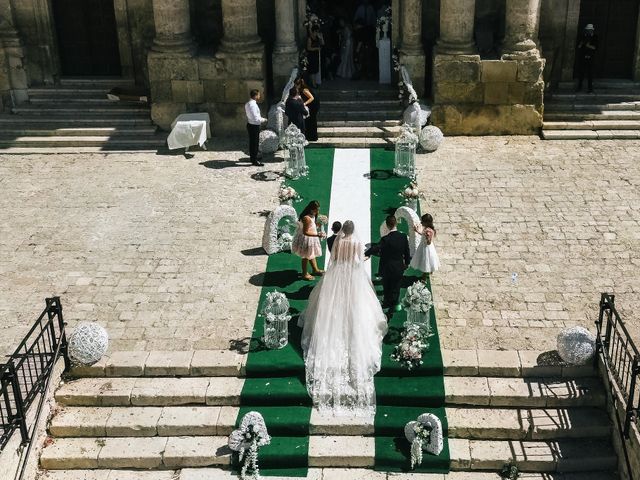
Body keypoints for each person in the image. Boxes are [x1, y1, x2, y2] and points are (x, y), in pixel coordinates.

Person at [298, 220, 388, 415]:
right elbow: (358, 260)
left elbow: (335, 259)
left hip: (338, 272)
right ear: (353, 231)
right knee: (356, 304)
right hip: (352, 274)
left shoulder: (338, 242)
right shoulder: (356, 244)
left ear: (342, 231)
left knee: (333, 303)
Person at [366, 215, 411, 312]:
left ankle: (387, 301)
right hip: (399, 267)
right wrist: (407, 263)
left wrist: (366, 253)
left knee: (387, 286)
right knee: (396, 286)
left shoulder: (385, 239)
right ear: (396, 223)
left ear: (387, 225)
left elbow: (376, 248)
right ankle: (395, 303)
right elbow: (407, 252)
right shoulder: (403, 237)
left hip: (387, 267)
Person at [291, 200, 326, 280]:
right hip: (307, 240)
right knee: (306, 257)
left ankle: (315, 270)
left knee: (311, 254)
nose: (318, 211)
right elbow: (305, 232)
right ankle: (304, 274)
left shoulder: (313, 215)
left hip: (312, 239)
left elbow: (312, 226)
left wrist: (319, 224)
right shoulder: (306, 218)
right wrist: (318, 235)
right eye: (316, 209)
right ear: (311, 209)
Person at [410, 213, 440, 282]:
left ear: (426, 222)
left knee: (426, 262)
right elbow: (423, 234)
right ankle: (429, 272)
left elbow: (428, 242)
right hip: (425, 246)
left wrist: (427, 238)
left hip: (426, 247)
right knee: (429, 261)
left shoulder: (428, 231)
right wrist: (417, 231)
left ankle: (424, 278)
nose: (421, 222)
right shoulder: (428, 229)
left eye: (422, 221)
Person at [244, 89, 267, 166]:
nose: (259, 96)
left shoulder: (248, 104)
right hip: (254, 125)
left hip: (251, 124)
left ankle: (254, 157)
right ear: (256, 96)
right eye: (259, 95)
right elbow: (256, 118)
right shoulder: (252, 105)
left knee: (253, 142)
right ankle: (254, 160)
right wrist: (264, 120)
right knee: (254, 143)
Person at [295, 77, 319, 141]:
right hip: (310, 105)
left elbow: (312, 98)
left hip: (313, 105)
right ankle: (309, 136)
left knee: (312, 120)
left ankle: (313, 137)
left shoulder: (304, 90)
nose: (295, 86)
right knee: (308, 120)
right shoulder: (300, 90)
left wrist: (304, 103)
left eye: (296, 85)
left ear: (300, 84)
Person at [576, 24, 598, 93]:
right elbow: (579, 47)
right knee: (581, 73)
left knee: (590, 73)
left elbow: (595, 47)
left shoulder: (595, 37)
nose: (589, 31)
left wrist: (588, 46)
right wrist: (582, 44)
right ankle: (579, 87)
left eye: (590, 30)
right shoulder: (583, 37)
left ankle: (590, 89)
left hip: (591, 58)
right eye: (588, 30)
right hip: (583, 57)